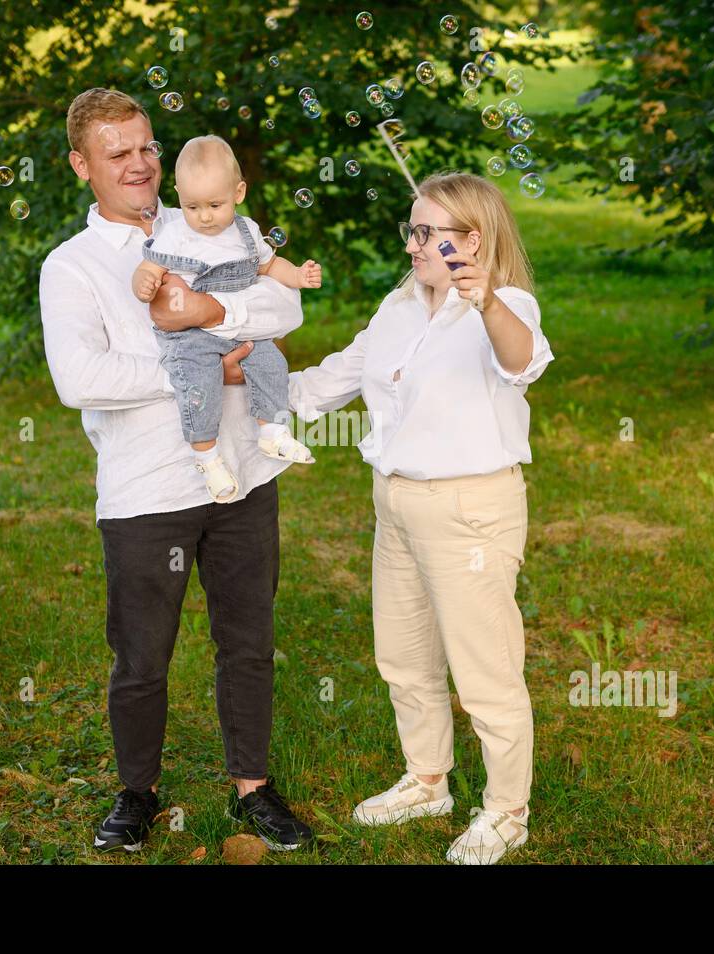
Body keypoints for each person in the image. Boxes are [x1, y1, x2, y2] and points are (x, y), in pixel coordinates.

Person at [39, 88, 314, 853]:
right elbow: (79, 378)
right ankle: (137, 792)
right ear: (81, 165)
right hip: (145, 490)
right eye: (116, 152)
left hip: (241, 475)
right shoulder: (72, 267)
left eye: (146, 146)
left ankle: (252, 786)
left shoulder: (208, 217)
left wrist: (210, 318)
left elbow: (286, 311)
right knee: (140, 653)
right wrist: (200, 372)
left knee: (248, 639)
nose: (138, 164)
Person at [285, 172, 554, 864]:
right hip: (397, 501)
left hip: (469, 509)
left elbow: (521, 361)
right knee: (403, 655)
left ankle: (506, 811)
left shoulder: (505, 306)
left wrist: (485, 297)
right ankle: (428, 780)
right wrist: (253, 387)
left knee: (484, 667)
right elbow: (341, 373)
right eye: (413, 229)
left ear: (475, 239)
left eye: (431, 232)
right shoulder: (401, 304)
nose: (415, 244)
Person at [132, 134, 319, 503]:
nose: (203, 217)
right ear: (178, 197)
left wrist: (297, 275)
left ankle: (272, 432)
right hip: (191, 336)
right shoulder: (175, 235)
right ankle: (207, 457)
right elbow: (148, 265)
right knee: (198, 384)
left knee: (270, 361)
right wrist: (144, 279)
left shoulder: (247, 232)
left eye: (215, 205)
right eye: (191, 206)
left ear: (239, 192)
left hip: (239, 329)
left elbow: (268, 264)